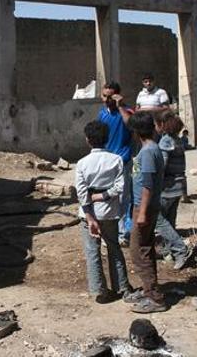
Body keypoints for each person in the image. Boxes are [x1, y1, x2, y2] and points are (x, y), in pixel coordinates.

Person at [75, 121, 132, 304]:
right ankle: (122, 287)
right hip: (109, 213)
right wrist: (103, 196)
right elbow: (120, 187)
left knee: (93, 252)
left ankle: (98, 290)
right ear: (107, 139)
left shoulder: (82, 163)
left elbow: (82, 193)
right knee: (114, 248)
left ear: (87, 140)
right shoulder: (116, 160)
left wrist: (90, 215)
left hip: (88, 215)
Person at [124, 111, 169, 313]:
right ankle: (148, 288)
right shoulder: (149, 149)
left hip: (144, 207)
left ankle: (155, 298)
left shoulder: (149, 152)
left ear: (136, 131)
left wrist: (141, 213)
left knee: (138, 251)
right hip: (144, 206)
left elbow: (148, 185)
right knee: (145, 248)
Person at [153, 112, 193, 270]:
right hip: (177, 187)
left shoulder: (165, 141)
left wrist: (155, 184)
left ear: (163, 125)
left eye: (157, 124)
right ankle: (168, 253)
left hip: (167, 187)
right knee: (170, 220)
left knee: (159, 220)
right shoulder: (178, 141)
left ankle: (180, 249)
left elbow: (162, 166)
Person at [97, 82, 135, 246]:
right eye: (104, 96)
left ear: (117, 96)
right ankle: (108, 232)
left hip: (122, 161)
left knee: (123, 199)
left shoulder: (126, 112)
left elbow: (130, 125)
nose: (107, 100)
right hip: (106, 162)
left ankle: (122, 234)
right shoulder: (102, 114)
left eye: (110, 96)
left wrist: (120, 106)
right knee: (106, 197)